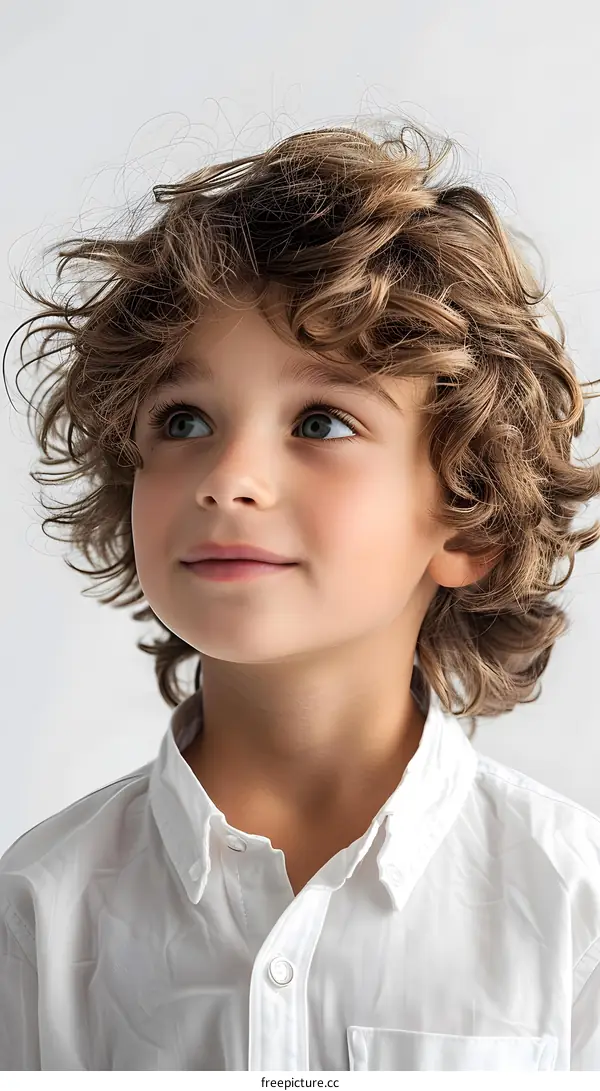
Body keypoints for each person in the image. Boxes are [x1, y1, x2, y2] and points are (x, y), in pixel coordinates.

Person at [1, 120, 600, 1072]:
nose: (227, 479)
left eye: (321, 421)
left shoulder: (575, 910)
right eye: (183, 420)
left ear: (469, 522)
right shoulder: (37, 910)